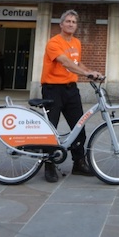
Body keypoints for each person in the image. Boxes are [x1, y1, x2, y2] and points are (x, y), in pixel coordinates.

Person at [40, 10, 104, 183]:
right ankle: (49, 165)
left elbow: (76, 62)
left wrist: (89, 71)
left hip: (71, 90)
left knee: (79, 127)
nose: (70, 24)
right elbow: (65, 62)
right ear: (61, 24)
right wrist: (87, 74)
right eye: (67, 21)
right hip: (52, 89)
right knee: (51, 129)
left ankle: (78, 163)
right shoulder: (54, 42)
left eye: (73, 22)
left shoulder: (76, 42)